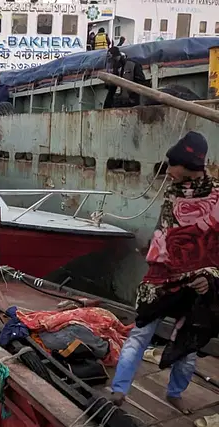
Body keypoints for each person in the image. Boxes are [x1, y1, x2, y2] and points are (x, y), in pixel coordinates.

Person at [110, 132, 219, 415]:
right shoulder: (173, 193)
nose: (168, 171)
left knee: (188, 344)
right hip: (162, 277)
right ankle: (119, 390)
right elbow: (165, 231)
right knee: (140, 332)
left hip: (198, 282)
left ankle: (175, 393)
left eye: (172, 165)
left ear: (188, 164)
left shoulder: (217, 197)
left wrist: (209, 275)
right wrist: (153, 249)